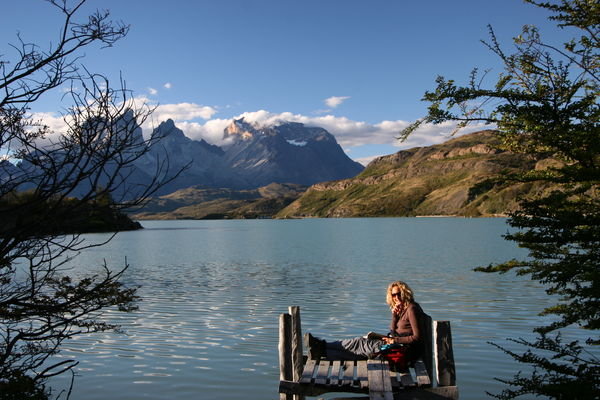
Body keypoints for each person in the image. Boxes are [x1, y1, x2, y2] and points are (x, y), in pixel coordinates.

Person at [304, 281, 426, 364]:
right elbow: (393, 332)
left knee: (359, 344)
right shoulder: (402, 310)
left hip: (400, 351)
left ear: (405, 293)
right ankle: (322, 350)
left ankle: (322, 346)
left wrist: (395, 340)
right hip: (393, 346)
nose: (397, 298)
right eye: (394, 295)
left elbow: (417, 337)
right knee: (358, 349)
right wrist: (394, 316)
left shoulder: (411, 309)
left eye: (399, 294)